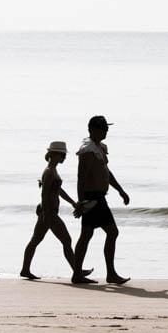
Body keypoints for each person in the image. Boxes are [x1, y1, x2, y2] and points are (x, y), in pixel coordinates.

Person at [20, 141, 92, 280]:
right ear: (54, 154)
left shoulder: (53, 170)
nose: (64, 157)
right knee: (66, 240)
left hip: (47, 212)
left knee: (35, 240)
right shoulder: (49, 172)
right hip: (49, 213)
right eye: (62, 155)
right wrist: (47, 215)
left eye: (64, 155)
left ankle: (25, 269)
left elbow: (58, 190)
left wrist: (72, 203)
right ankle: (77, 272)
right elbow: (45, 194)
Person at [72, 115, 131, 285]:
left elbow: (106, 172)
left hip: (98, 197)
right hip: (92, 198)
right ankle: (109, 274)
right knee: (110, 232)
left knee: (87, 235)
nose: (106, 131)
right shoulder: (88, 150)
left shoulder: (99, 148)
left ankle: (79, 274)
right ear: (92, 130)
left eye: (106, 128)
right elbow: (81, 177)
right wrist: (81, 202)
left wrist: (120, 190)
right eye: (102, 128)